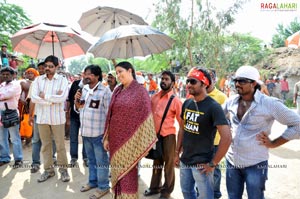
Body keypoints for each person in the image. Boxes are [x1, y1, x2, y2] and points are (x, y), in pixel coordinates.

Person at [223, 65, 300, 199]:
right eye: (235, 80)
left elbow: (297, 124)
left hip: (255, 163)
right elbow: (218, 119)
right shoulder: (231, 101)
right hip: (232, 161)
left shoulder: (269, 104)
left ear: (253, 83)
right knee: (233, 196)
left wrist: (274, 143)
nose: (237, 84)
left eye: (242, 81)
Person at [175, 67, 231, 199]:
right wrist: (176, 153)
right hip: (185, 160)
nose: (188, 85)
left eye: (193, 81)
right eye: (188, 81)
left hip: (202, 163)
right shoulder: (187, 103)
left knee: (205, 196)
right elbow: (182, 129)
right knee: (187, 193)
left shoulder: (213, 107)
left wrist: (213, 163)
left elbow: (227, 137)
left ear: (205, 84)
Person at [103, 61, 157, 198]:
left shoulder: (140, 92)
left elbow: (146, 118)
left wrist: (143, 143)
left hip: (131, 144)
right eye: (117, 72)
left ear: (130, 71)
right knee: (116, 173)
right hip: (115, 140)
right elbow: (110, 115)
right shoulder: (117, 90)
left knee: (128, 175)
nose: (118, 75)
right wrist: (107, 137)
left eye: (121, 71)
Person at [31, 55, 70, 183]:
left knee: (60, 146)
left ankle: (63, 170)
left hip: (57, 119)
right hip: (42, 118)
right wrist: (52, 100)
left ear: (57, 67)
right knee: (45, 146)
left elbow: (62, 98)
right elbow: (34, 98)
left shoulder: (62, 80)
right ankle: (48, 170)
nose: (47, 68)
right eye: (46, 66)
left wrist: (45, 96)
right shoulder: (38, 80)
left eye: (51, 66)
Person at [74, 65, 111, 198]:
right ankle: (93, 181)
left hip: (99, 134)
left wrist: (107, 136)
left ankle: (103, 186)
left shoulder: (105, 92)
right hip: (85, 133)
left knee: (101, 161)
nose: (86, 76)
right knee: (91, 160)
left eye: (89, 74)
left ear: (97, 76)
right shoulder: (83, 89)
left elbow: (110, 115)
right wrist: (76, 103)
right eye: (85, 74)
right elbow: (79, 109)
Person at [144, 71, 182, 199]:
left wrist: (180, 147)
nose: (163, 81)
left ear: (172, 83)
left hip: (169, 136)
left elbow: (181, 123)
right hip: (155, 136)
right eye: (162, 78)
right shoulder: (154, 97)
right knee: (157, 162)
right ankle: (155, 187)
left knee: (169, 164)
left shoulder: (175, 100)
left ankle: (166, 191)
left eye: (166, 79)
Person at [28, 62, 57, 173]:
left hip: (52, 115)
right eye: (40, 68)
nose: (42, 70)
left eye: (44, 67)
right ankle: (35, 163)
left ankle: (52, 157)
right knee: (36, 140)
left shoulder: (55, 82)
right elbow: (32, 100)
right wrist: (31, 115)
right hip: (38, 116)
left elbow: (57, 98)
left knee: (53, 138)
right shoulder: (35, 83)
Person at [206, 68, 227, 199]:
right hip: (200, 141)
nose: (207, 81)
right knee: (200, 168)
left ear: (214, 79)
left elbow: (225, 120)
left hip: (215, 141)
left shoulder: (221, 97)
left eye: (210, 78)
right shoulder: (196, 95)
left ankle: (215, 193)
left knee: (214, 169)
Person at [0, 67, 23, 168]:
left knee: (14, 138)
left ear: (12, 75)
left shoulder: (16, 85)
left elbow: (7, 95)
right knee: (2, 137)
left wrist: (3, 96)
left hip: (11, 113)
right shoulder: (2, 85)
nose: (5, 76)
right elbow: (3, 95)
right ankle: (4, 158)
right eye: (3, 74)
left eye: (7, 74)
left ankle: (18, 159)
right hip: (1, 113)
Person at [66, 71, 88, 167]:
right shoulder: (75, 84)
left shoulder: (91, 86)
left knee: (85, 138)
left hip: (86, 117)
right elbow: (69, 100)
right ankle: (73, 158)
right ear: (82, 74)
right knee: (73, 137)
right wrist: (67, 115)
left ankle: (86, 158)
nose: (86, 76)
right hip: (74, 116)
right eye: (85, 74)